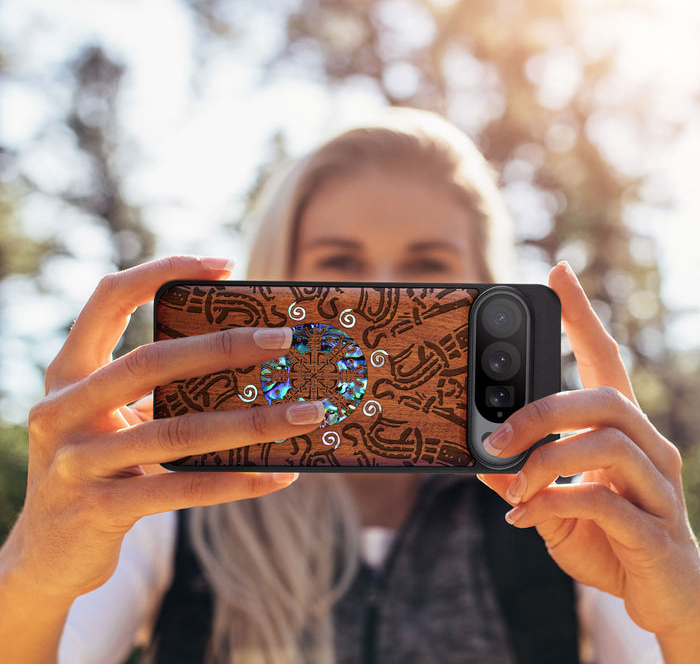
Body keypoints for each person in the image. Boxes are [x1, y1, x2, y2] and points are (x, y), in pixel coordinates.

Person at [0, 109, 698, 664]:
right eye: (340, 264)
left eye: (428, 267)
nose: (384, 294)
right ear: (281, 281)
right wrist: (34, 571)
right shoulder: (171, 499)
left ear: (487, 288)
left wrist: (685, 612)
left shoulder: (567, 507)